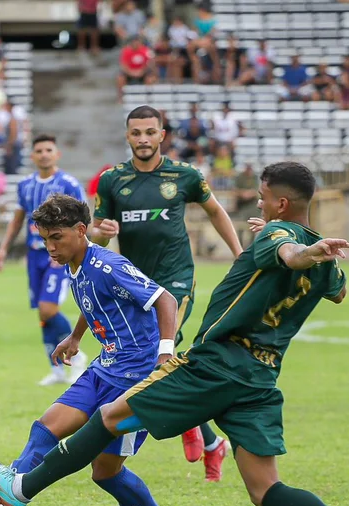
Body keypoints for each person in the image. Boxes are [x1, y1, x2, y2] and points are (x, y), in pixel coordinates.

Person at [0, 162, 349, 506]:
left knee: (109, 417)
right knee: (266, 490)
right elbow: (338, 291)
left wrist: (294, 249)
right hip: (260, 378)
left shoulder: (275, 234)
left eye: (263, 196)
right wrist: (314, 253)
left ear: (281, 203)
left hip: (215, 364)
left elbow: (289, 253)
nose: (258, 202)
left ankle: (20, 489)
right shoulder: (323, 258)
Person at [0, 194, 181, 506]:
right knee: (46, 426)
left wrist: (166, 352)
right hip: (105, 367)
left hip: (136, 378)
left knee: (105, 473)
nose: (50, 247)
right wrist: (75, 336)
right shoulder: (76, 264)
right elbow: (95, 301)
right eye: (44, 239)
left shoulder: (107, 264)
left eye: (57, 238)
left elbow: (165, 299)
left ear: (81, 230)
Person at [88, 105, 243, 481]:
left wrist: (240, 256)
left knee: (161, 347)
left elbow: (216, 211)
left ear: (162, 135)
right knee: (156, 361)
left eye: (150, 132)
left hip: (175, 282)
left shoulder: (184, 175)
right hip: (136, 286)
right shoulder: (112, 181)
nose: (143, 139)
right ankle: (209, 440)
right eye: (136, 132)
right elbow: (97, 234)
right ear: (128, 136)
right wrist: (101, 231)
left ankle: (196, 432)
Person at [0, 135, 89, 386]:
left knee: (48, 308)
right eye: (39, 150)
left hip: (59, 257)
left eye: (48, 150)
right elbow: (18, 219)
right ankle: (56, 369)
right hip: (35, 255)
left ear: (57, 154)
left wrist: (71, 252)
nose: (44, 154)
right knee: (42, 314)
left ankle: (77, 356)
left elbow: (83, 222)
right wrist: (3, 249)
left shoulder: (68, 183)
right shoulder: (25, 185)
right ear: (32, 156)